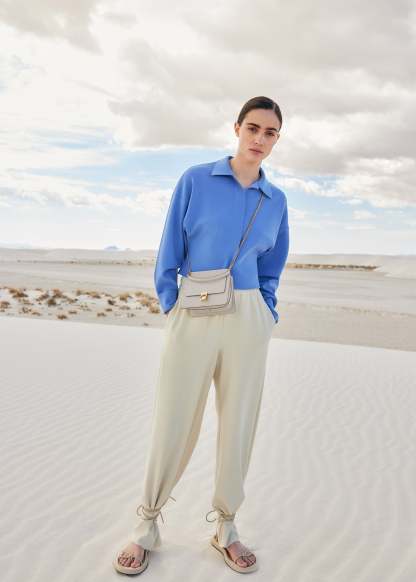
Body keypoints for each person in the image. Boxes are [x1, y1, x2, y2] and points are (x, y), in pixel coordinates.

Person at [114, 95, 290, 575]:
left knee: (239, 424)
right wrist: (171, 303)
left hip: (248, 318)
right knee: (173, 419)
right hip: (192, 311)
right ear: (237, 128)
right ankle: (146, 524)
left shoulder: (275, 200)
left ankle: (226, 528)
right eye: (253, 128)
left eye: (270, 133)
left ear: (277, 140)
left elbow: (273, 266)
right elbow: (170, 246)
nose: (260, 139)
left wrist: (267, 310)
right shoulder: (195, 179)